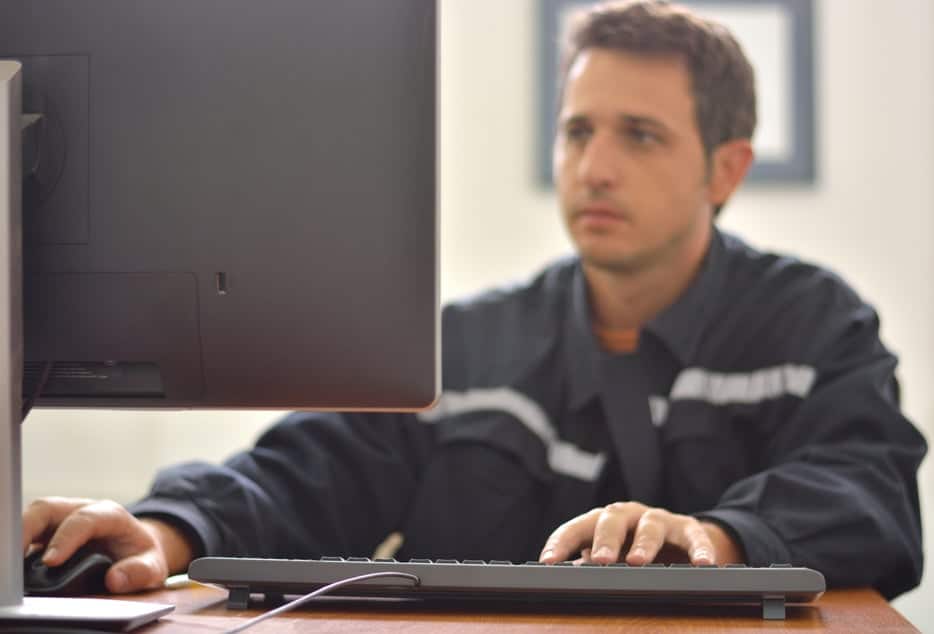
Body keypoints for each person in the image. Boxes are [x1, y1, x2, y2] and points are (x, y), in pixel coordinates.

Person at [23, 0, 926, 601]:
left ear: (726, 168)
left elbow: (868, 490)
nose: (594, 167)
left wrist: (717, 539)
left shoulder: (816, 325)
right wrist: (161, 527)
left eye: (640, 136)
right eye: (577, 132)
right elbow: (306, 466)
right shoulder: (466, 342)